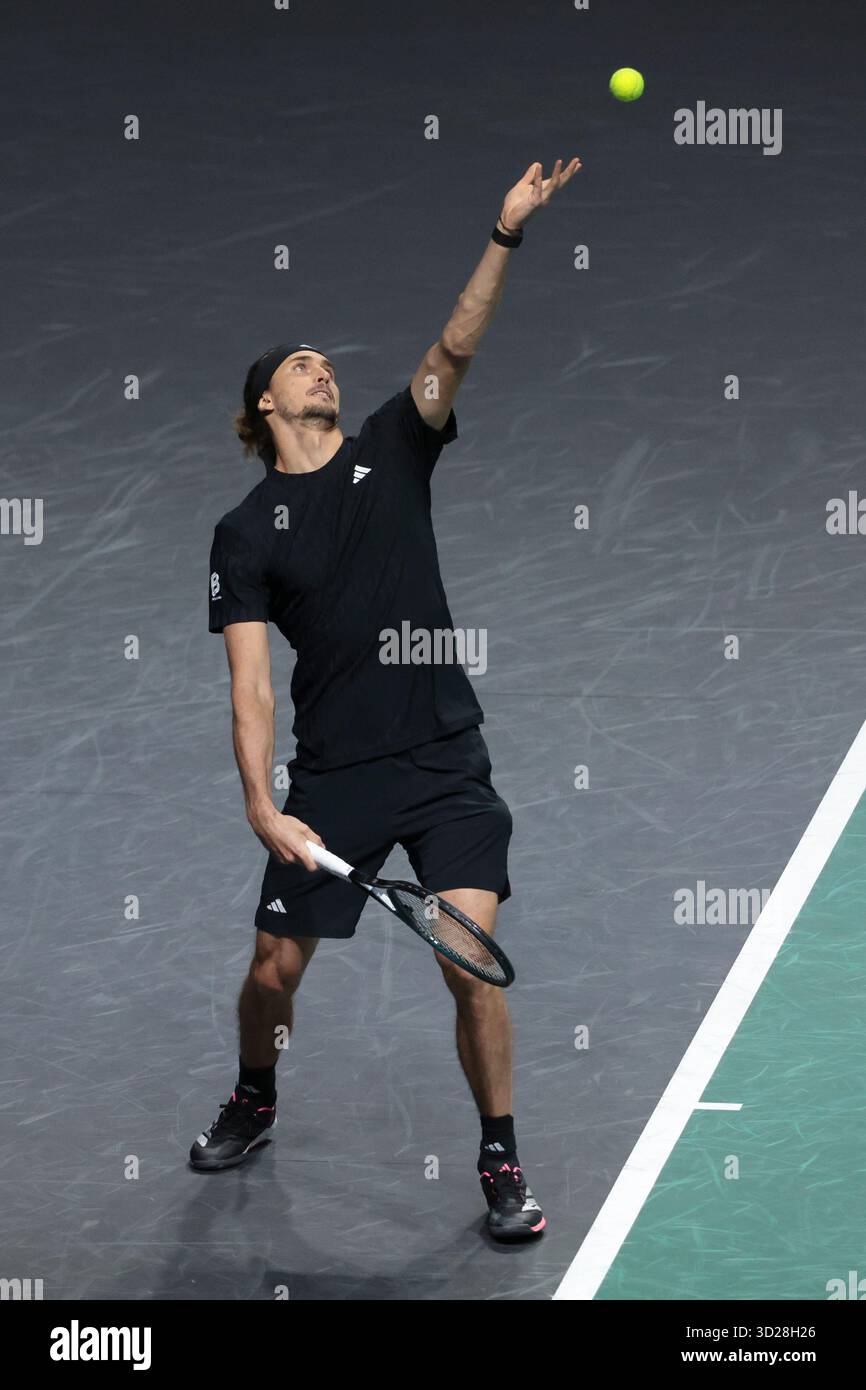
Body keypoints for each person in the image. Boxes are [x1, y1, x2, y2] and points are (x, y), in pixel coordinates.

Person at [191, 158, 581, 1242]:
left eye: (323, 362)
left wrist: (503, 233)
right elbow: (251, 682)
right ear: (263, 404)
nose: (320, 369)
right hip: (336, 778)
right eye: (298, 366)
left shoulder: (393, 451)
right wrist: (264, 805)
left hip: (445, 761)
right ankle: (254, 1094)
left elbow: (451, 348)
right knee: (271, 970)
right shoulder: (244, 533)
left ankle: (499, 1158)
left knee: (468, 961)